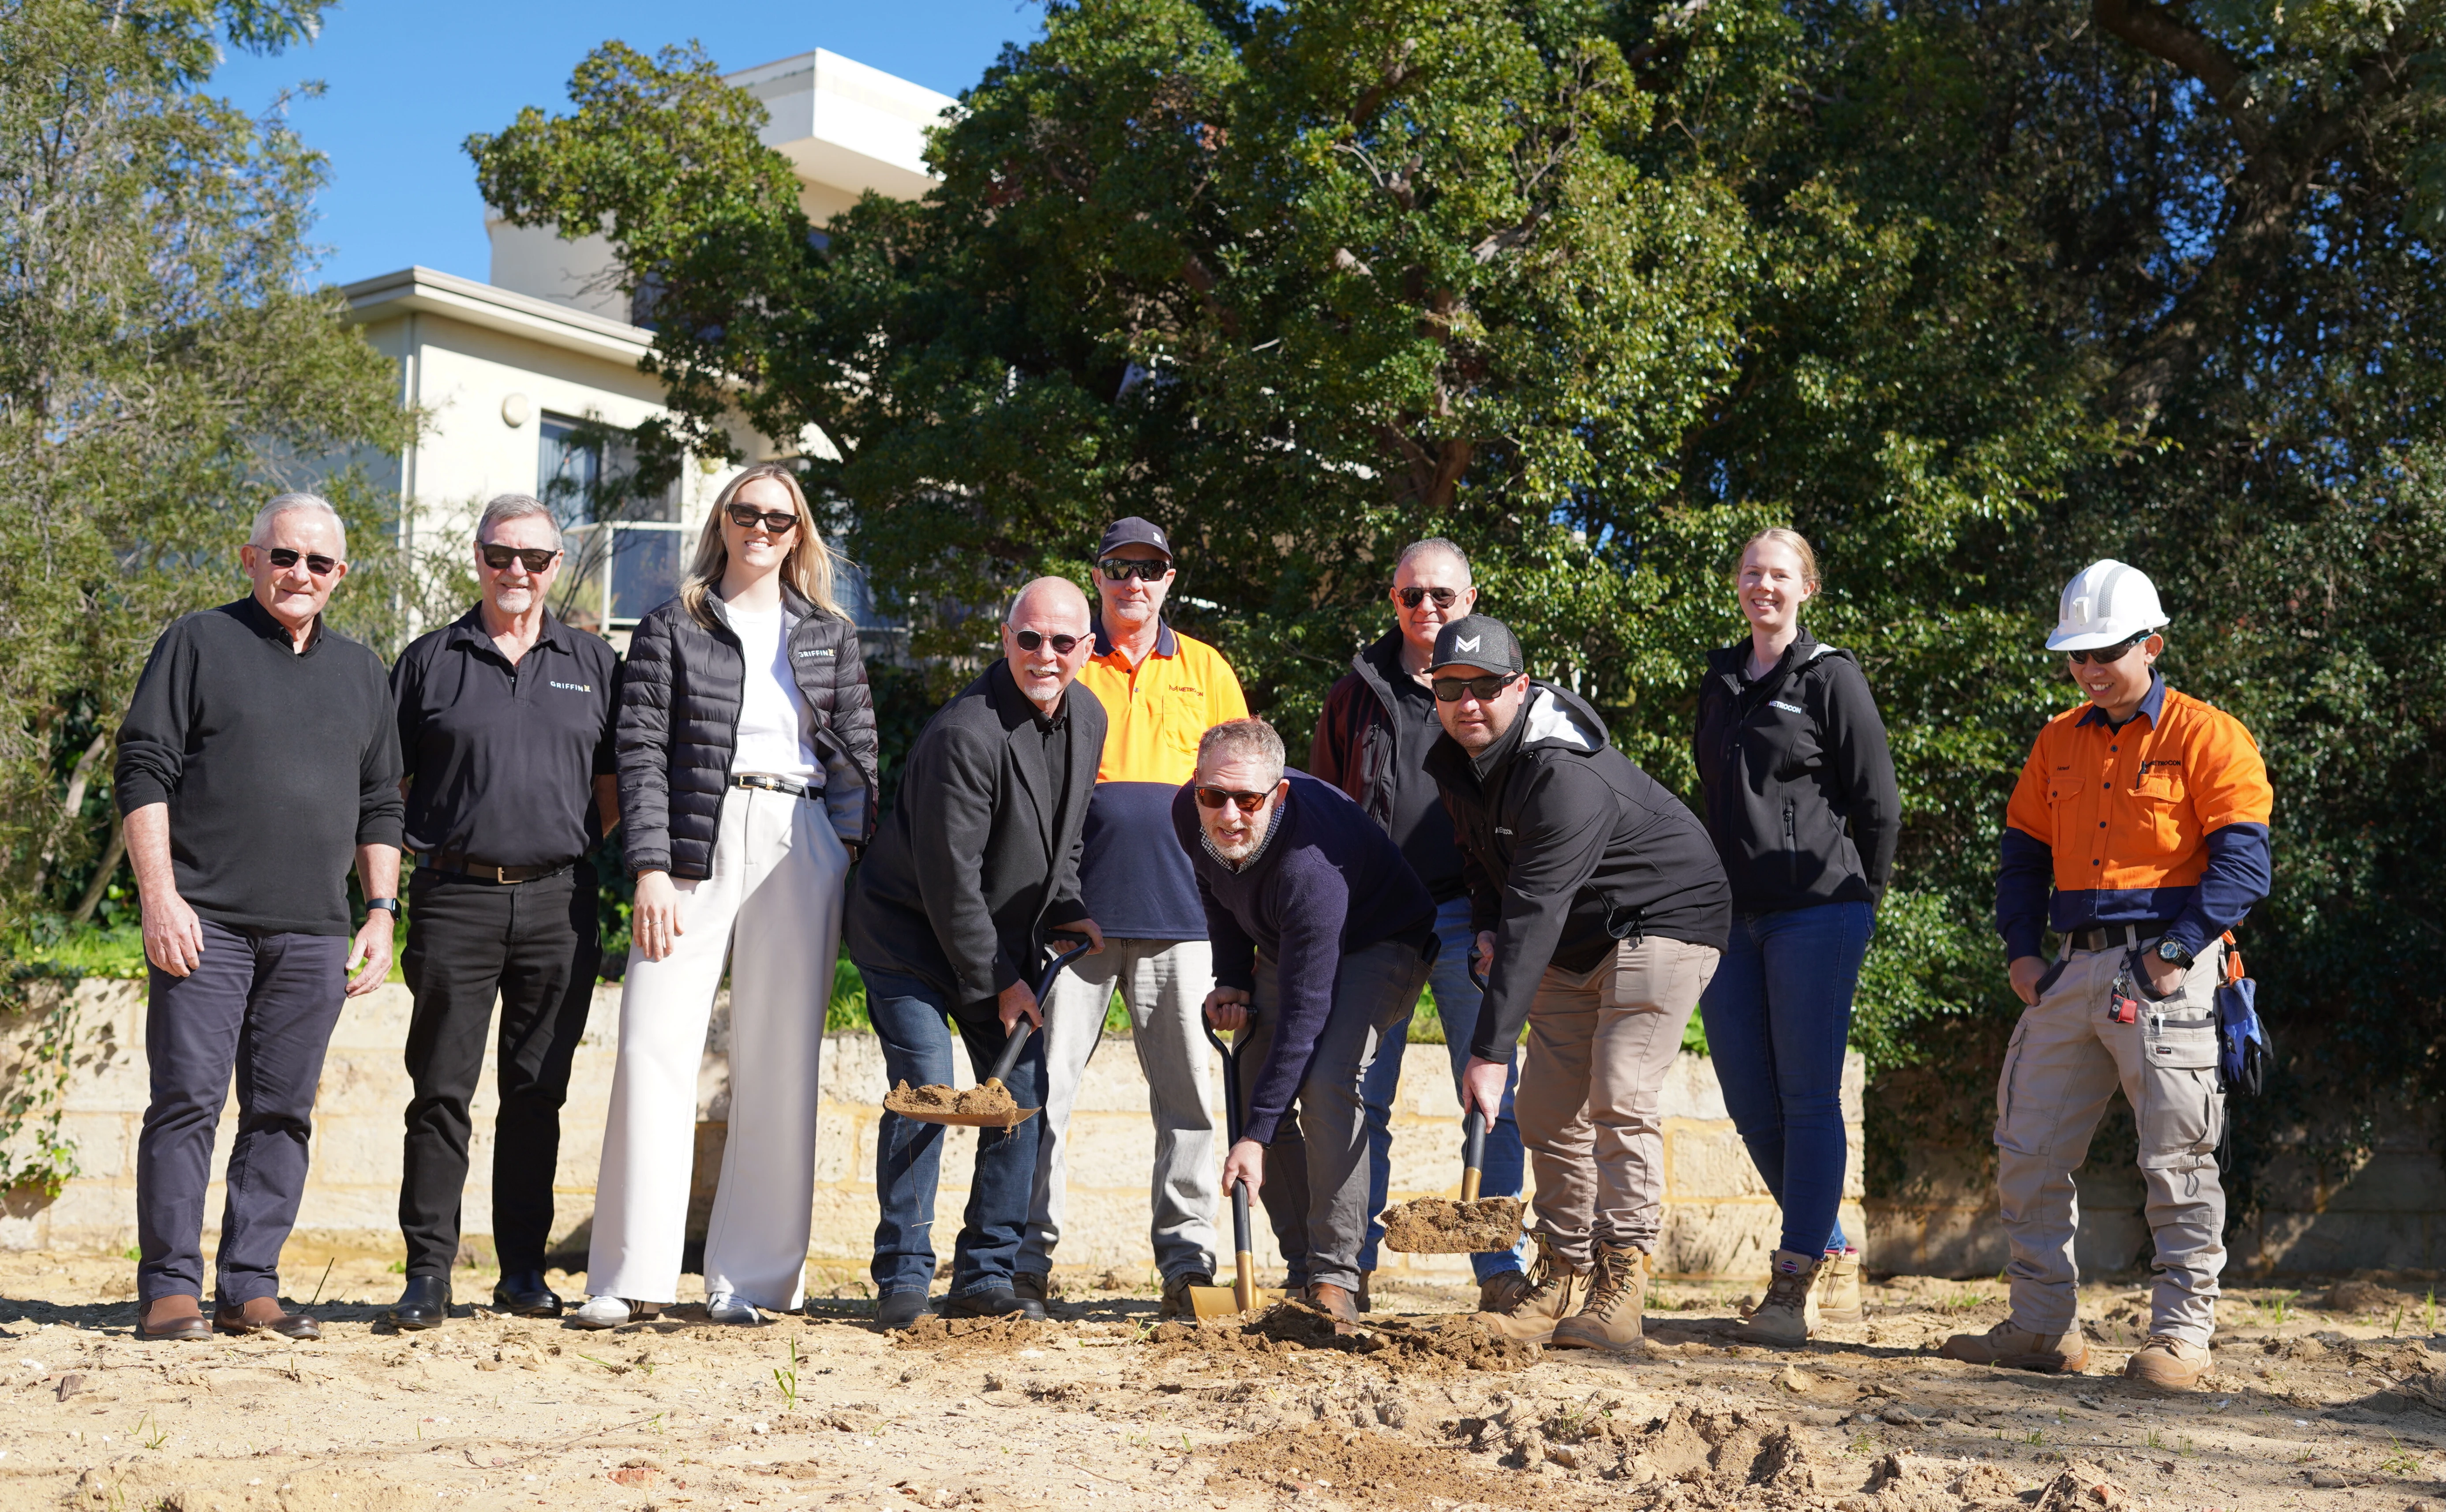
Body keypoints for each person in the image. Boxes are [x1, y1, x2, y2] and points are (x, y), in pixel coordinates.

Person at [1942, 560, 2271, 1389]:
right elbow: (2021, 856)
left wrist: (2172, 953)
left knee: (2179, 1158)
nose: (2090, 669)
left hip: (2170, 969)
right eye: (2076, 655)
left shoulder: (2208, 735)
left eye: (2107, 652)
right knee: (2027, 1149)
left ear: (2151, 645)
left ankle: (2181, 1340)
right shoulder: (2057, 739)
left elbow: (2243, 867)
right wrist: (2023, 952)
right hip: (2073, 966)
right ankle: (2042, 1327)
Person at [574, 463, 877, 1329]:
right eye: (747, 512)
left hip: (801, 834)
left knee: (780, 1063)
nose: (761, 527)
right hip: (694, 842)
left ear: (798, 533)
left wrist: (842, 848)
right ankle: (630, 1277)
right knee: (653, 1044)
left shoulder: (829, 634)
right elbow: (638, 749)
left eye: (779, 518)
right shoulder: (675, 625)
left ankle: (750, 1280)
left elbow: (859, 747)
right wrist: (650, 869)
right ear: (724, 519)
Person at [116, 493, 405, 1342]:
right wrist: (159, 897)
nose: (300, 574)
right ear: (250, 559)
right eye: (285, 557)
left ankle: (251, 1285)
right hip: (204, 923)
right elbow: (143, 773)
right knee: (187, 1103)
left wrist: (381, 911)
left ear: (340, 576)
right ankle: (170, 1287)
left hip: (314, 932)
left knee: (282, 1113)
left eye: (319, 563)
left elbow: (381, 802)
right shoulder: (198, 643)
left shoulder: (362, 672)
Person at [1425, 616, 1732, 1351]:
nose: (1469, 702)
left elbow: (1536, 909)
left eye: (1487, 687)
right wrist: (1487, 920)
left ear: (1520, 688)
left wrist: (1490, 1050)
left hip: (1666, 913)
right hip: (1573, 933)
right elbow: (1485, 864)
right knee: (1546, 1111)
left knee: (1619, 1092)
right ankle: (1561, 1271)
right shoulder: (1455, 762)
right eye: (1449, 687)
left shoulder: (1562, 774)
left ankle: (1620, 1281)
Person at [385, 494, 622, 1329]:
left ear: (557, 568)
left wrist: (553, 844)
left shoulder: (594, 664)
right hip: (454, 900)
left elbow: (613, 787)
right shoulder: (428, 661)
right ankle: (427, 1273)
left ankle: (523, 1270)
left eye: (534, 558)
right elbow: (391, 786)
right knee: (440, 1093)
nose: (516, 571)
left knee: (537, 1093)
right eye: (500, 555)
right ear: (478, 559)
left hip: (560, 902)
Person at [847, 578, 1108, 1327]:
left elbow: (1067, 836)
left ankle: (986, 1274)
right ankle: (902, 1276)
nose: (1046, 655)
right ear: (1004, 639)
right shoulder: (965, 734)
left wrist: (1066, 905)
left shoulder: (1087, 716)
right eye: (1030, 639)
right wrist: (999, 981)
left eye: (1064, 642)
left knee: (1018, 1097)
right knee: (928, 1090)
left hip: (991, 940)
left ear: (1088, 650)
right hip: (908, 938)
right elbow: (949, 878)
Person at [1022, 518, 1247, 1317]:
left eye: (1150, 570)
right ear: (1099, 577)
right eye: (1120, 568)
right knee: (1043, 1093)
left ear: (1169, 581)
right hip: (1074, 916)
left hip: (1186, 917)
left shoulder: (1207, 669)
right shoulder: (1064, 659)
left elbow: (1241, 790)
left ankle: (1188, 1265)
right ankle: (1024, 1258)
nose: (1134, 583)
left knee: (1187, 1099)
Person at [1691, 529, 1900, 1344]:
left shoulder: (1830, 677)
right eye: (1751, 572)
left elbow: (1876, 803)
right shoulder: (1719, 679)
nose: (1763, 586)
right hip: (1732, 920)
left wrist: (1860, 902)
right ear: (1737, 584)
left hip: (1819, 911)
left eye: (1780, 574)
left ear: (1806, 587)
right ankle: (1832, 1244)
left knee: (1809, 1093)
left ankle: (1791, 1284)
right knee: (1749, 1097)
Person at [1311, 539, 1530, 1313]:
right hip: (1378, 918)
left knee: (1492, 1092)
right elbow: (1322, 810)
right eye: (1412, 596)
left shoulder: (1499, 687)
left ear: (1470, 598)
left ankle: (1501, 1266)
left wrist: (1503, 916)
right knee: (1358, 1090)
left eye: (1443, 595)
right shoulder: (1358, 692)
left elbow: (1530, 811)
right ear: (1392, 601)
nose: (1427, 609)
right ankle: (1345, 1267)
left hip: (1476, 916)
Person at [1180, 719, 1436, 1331]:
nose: (1229, 815)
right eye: (1215, 796)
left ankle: (1335, 1279)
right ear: (1197, 789)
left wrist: (1255, 1138)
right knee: (1252, 1076)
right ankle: (1300, 1268)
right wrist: (1233, 977)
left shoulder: (1309, 869)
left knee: (1325, 1080)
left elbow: (1305, 1016)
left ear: (1280, 795)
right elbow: (1216, 888)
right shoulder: (1191, 817)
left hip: (1383, 939)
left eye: (1249, 800)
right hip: (1287, 942)